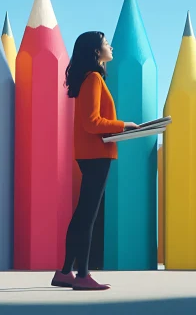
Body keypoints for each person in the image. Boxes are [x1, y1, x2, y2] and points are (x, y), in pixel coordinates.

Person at [51, 31, 138, 291]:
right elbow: (92, 123)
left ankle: (66, 272)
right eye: (106, 43)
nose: (110, 46)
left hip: (92, 153)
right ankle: (82, 276)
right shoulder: (94, 79)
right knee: (88, 216)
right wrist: (125, 125)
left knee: (82, 215)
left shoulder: (91, 78)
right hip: (96, 154)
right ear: (96, 51)